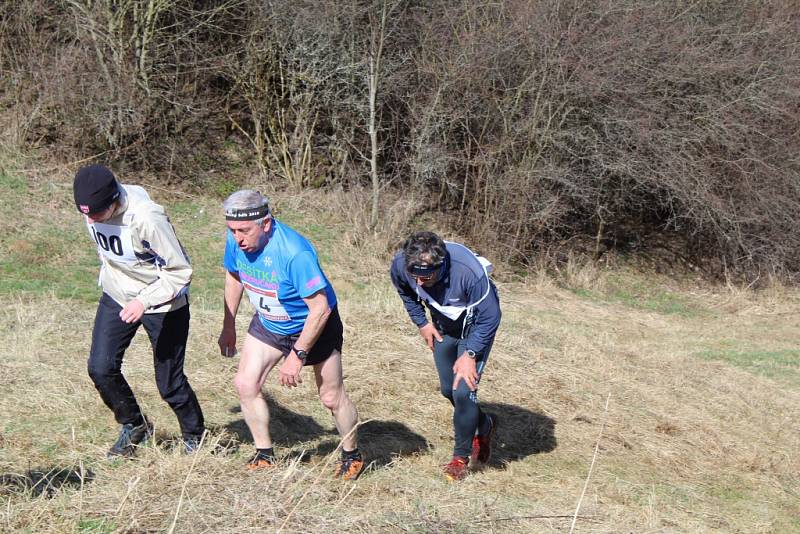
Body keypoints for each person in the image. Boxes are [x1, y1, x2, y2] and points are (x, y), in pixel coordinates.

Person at [217, 190, 363, 480]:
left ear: (266, 224)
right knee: (245, 384)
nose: (238, 238)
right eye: (232, 231)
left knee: (331, 397)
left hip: (315, 326)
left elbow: (320, 308)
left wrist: (297, 355)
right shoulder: (237, 242)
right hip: (270, 323)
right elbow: (234, 275)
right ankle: (264, 454)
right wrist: (229, 323)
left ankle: (352, 454)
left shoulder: (295, 254)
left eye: (244, 230)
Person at [73, 164, 205, 458]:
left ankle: (194, 435)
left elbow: (180, 271)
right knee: (100, 368)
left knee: (169, 383)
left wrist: (144, 301)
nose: (90, 220)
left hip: (163, 303)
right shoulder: (92, 210)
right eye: (86, 214)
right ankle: (135, 425)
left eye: (96, 214)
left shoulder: (147, 217)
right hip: (118, 295)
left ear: (114, 201)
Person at [390, 231, 501, 481]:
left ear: (442, 266)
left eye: (426, 276)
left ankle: (459, 458)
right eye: (414, 275)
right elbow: (405, 292)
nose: (419, 282)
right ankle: (484, 425)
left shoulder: (467, 271)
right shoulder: (401, 264)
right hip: (443, 326)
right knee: (447, 389)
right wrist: (421, 322)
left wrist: (470, 353)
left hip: (475, 327)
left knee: (462, 390)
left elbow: (491, 317)